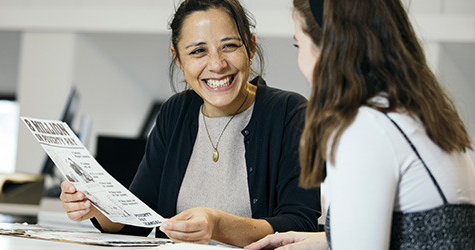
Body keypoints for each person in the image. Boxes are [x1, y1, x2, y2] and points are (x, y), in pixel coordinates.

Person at [59, 0, 321, 247]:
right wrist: (96, 206)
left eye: (229, 46)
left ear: (250, 47)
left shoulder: (290, 112)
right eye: (198, 51)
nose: (217, 65)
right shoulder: (174, 113)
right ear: (178, 59)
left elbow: (300, 225)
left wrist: (217, 225)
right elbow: (136, 222)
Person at [245, 0, 475, 249]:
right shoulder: (412, 114)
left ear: (330, 50)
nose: (301, 59)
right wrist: (321, 241)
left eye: (298, 44)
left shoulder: (365, 128)